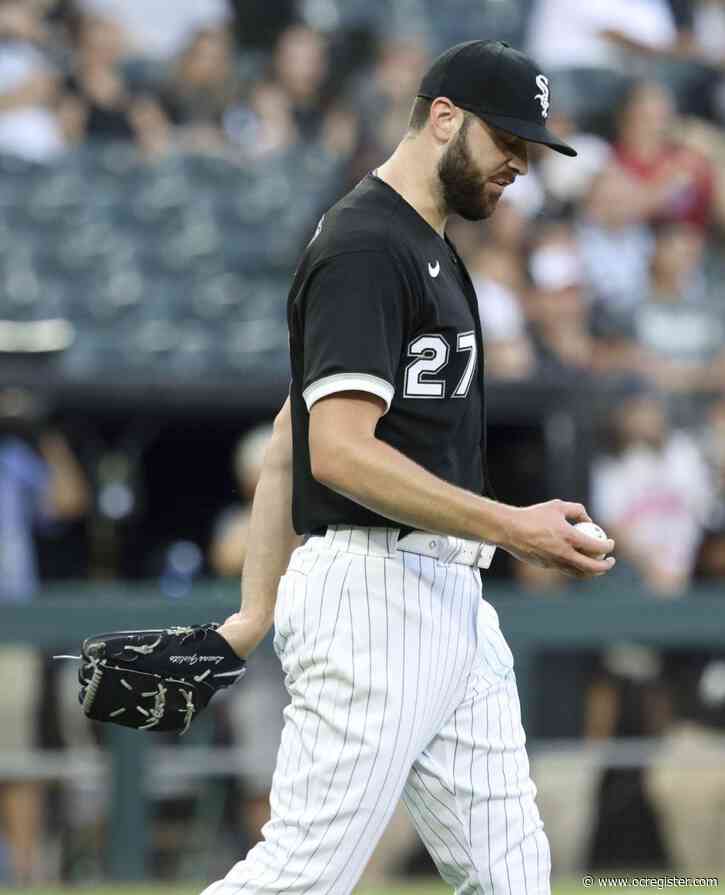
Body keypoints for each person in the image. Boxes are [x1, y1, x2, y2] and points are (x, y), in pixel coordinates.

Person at [211, 40, 616, 895]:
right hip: (374, 591)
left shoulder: (424, 243)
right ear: (442, 117)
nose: (518, 163)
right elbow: (337, 450)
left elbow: (290, 433)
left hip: (445, 599)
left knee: (514, 878)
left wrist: (252, 613)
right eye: (506, 139)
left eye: (528, 146)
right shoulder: (366, 244)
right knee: (299, 877)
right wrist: (512, 526)